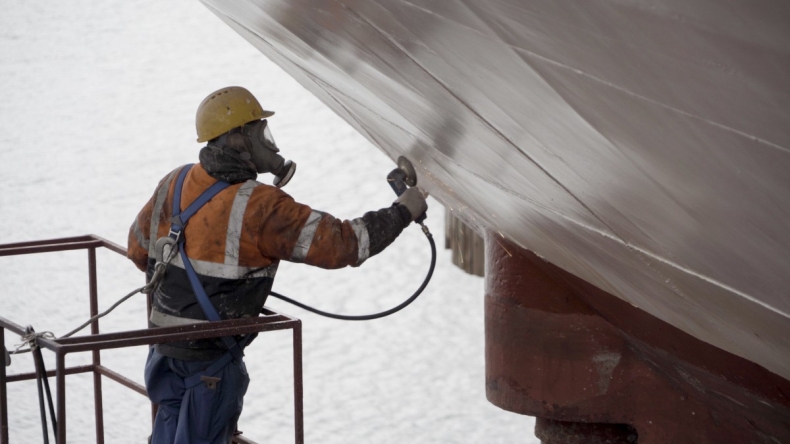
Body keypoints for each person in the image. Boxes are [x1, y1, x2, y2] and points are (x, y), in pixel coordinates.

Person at [127, 86, 427, 444]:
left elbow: (138, 250)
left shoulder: (176, 181)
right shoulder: (261, 205)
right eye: (260, 133)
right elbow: (345, 245)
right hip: (210, 366)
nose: (271, 145)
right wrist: (404, 211)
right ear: (239, 139)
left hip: (162, 352)